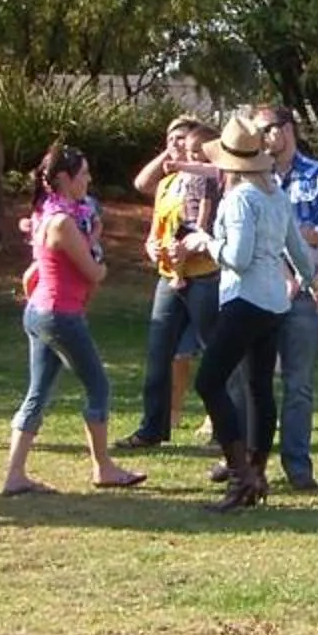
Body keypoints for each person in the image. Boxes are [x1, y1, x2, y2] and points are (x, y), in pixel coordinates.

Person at [0, 144, 146, 497]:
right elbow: (93, 272)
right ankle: (103, 467)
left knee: (38, 392)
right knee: (98, 386)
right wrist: (102, 261)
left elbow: (42, 267)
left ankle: (15, 475)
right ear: (64, 179)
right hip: (59, 315)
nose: (90, 179)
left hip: (42, 311)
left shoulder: (54, 215)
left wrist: (92, 237)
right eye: (84, 174)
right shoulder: (62, 222)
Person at [197, 112, 307, 513]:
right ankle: (257, 473)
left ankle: (241, 474)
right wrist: (312, 282)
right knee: (260, 387)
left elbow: (238, 259)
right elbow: (296, 246)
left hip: (244, 300)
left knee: (210, 382)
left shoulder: (241, 197)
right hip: (274, 302)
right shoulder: (274, 193)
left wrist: (206, 243)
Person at [124, 117, 221, 450]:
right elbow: (157, 224)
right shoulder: (168, 183)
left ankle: (223, 426)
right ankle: (152, 427)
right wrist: (152, 245)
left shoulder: (213, 179)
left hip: (206, 275)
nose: (178, 145)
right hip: (169, 277)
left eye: (184, 139)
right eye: (172, 139)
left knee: (215, 352)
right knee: (158, 352)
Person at [266, 107, 318, 491]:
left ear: (288, 129)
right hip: (260, 290)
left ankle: (297, 464)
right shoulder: (253, 176)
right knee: (250, 379)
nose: (263, 137)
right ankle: (244, 459)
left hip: (303, 289)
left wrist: (286, 238)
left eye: (268, 128)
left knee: (298, 382)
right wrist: (297, 236)